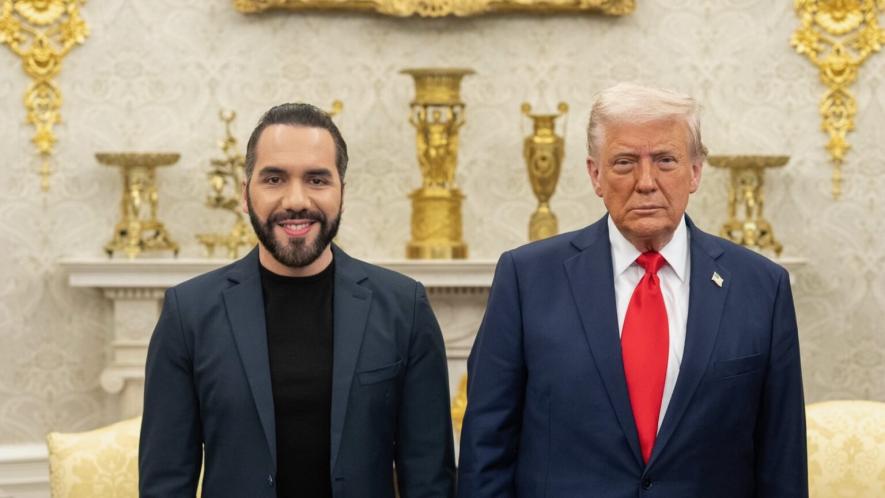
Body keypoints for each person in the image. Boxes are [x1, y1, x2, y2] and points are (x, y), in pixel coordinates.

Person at [457, 83, 807, 497]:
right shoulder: (527, 278)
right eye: (624, 162)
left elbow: (782, 460)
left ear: (695, 172)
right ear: (595, 175)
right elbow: (486, 450)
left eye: (665, 160)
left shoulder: (761, 287)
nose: (646, 182)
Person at [139, 103, 455, 498]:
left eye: (317, 180)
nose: (296, 200)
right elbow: (165, 482)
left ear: (342, 192)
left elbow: (430, 479)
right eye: (274, 179)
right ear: (244, 194)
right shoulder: (188, 314)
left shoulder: (405, 308)